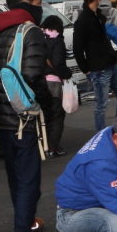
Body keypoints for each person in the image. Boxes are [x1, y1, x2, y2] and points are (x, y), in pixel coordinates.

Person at [0, 0, 53, 232]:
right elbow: (34, 76)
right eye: (38, 4)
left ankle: (28, 221)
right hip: (24, 117)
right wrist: (46, 105)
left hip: (0, 115)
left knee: (15, 175)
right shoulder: (29, 31)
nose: (39, 9)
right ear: (29, 3)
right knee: (28, 177)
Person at [74, 0, 117, 132]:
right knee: (101, 106)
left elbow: (105, 43)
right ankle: (101, 137)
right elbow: (78, 49)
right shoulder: (83, 20)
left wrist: (116, 59)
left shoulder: (98, 16)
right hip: (98, 69)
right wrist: (86, 70)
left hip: (110, 64)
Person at [41, 15, 72, 156]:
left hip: (39, 82)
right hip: (53, 82)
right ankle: (53, 148)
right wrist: (67, 74)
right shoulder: (57, 41)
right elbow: (58, 63)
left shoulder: (39, 38)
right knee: (57, 116)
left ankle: (43, 145)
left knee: (45, 116)